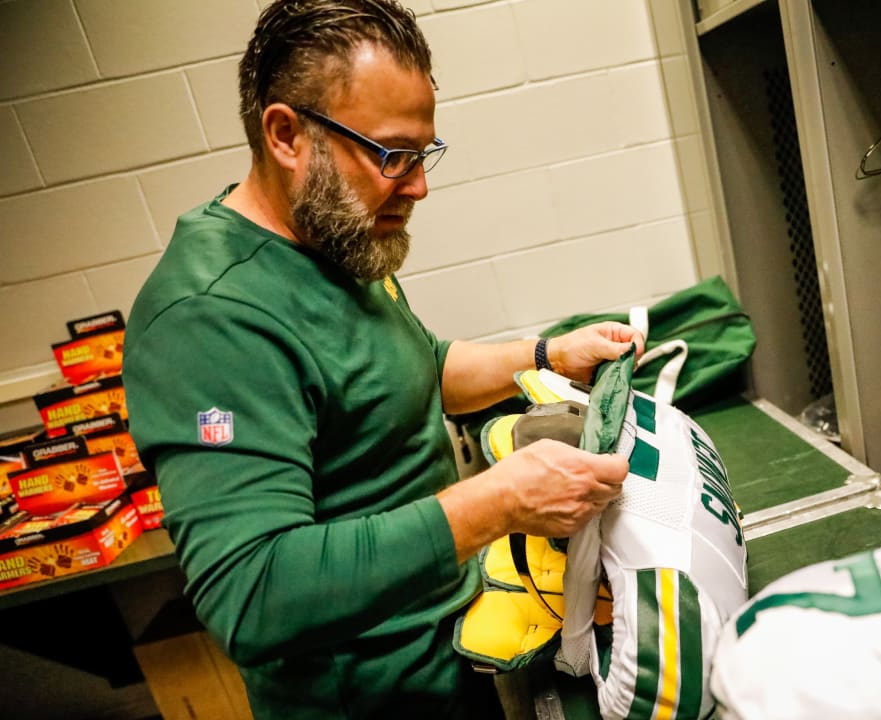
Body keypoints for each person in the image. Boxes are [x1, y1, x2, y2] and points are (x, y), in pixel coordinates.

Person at [121, 1, 644, 717]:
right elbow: (253, 593)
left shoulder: (331, 237)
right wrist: (497, 503)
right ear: (286, 134)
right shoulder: (210, 324)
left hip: (451, 657)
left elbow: (408, 370)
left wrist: (547, 354)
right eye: (393, 155)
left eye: (423, 154)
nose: (419, 185)